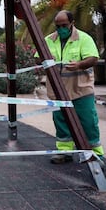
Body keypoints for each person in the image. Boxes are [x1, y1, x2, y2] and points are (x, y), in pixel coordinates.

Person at [38, 10, 104, 164]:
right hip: (57, 91)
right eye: (58, 26)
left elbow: (93, 58)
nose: (61, 29)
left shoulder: (84, 38)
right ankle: (64, 151)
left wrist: (80, 64)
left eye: (64, 25)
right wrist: (45, 60)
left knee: (88, 121)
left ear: (72, 23)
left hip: (80, 89)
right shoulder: (49, 40)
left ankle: (95, 153)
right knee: (61, 121)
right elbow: (37, 59)